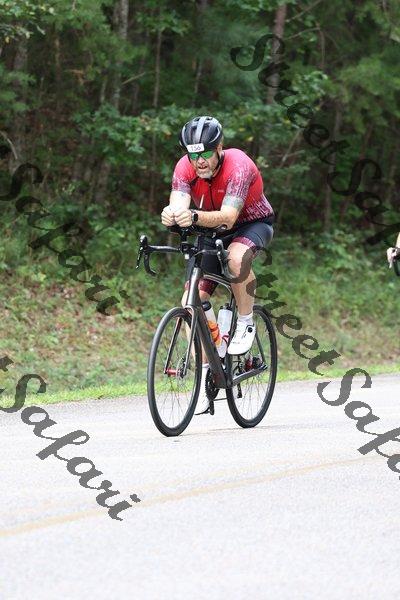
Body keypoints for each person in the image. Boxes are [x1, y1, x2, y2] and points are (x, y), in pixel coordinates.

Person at [161, 115, 274, 414]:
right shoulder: (184, 167)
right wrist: (172, 214)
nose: (199, 161)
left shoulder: (238, 165)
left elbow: (229, 217)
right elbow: (179, 204)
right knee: (191, 301)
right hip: (211, 231)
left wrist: (194, 217)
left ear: (220, 148)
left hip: (251, 224)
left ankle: (246, 322)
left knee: (236, 259)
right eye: (193, 155)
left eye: (206, 153)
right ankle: (208, 367)